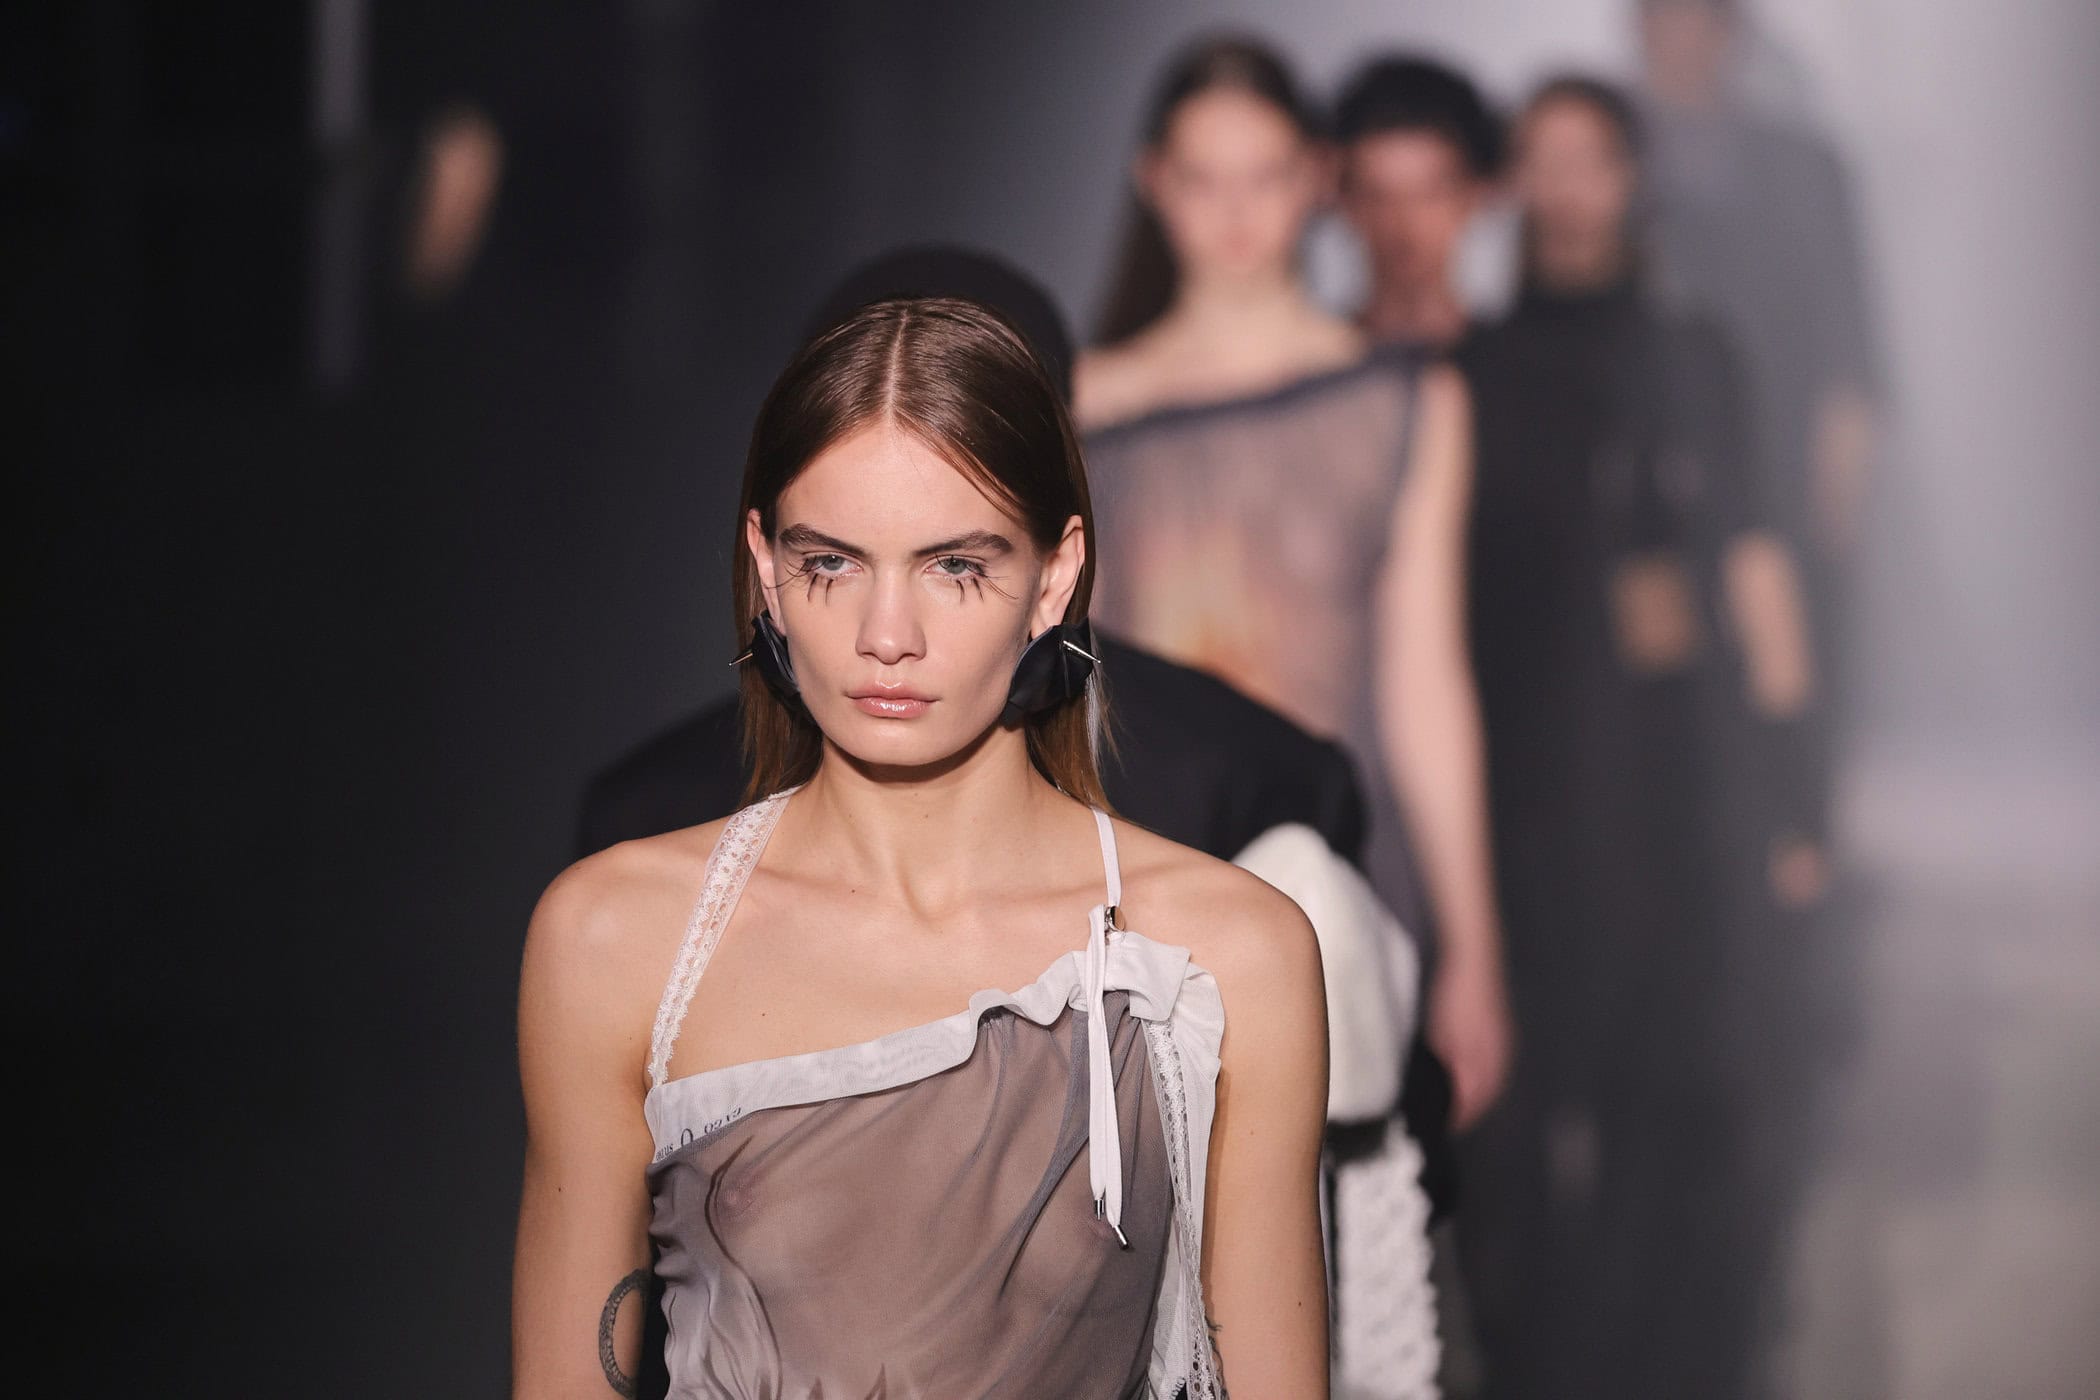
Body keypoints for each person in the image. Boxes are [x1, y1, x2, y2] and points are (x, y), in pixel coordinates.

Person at [512, 296, 1330, 1397]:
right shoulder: (614, 940)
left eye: (954, 567)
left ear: (1054, 577)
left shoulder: (1226, 956)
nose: (885, 636)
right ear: (766, 568)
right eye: (831, 563)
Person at [1453, 75, 1818, 1400]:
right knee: (1525, 1105)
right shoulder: (1471, 367)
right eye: (1540, 157)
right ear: (1510, 181)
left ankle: (1680, 1362)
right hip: (1523, 774)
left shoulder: (1694, 352)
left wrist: (1796, 796)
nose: (1566, 185)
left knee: (1682, 1092)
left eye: (1590, 157)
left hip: (1678, 776)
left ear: (1632, 176)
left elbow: (1757, 568)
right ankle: (1544, 1362)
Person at [1077, 31, 1509, 1140]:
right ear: (1154, 182)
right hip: (1139, 878)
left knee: (1337, 1209)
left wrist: (1474, 947)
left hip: (1347, 867)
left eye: (1264, 176)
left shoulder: (1406, 401)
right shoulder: (1080, 406)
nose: (1235, 212)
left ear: (1317, 178)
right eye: (1203, 179)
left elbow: (1425, 683)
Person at [1332, 54, 1506, 351]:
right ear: (1344, 201)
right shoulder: (1308, 364)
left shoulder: (1527, 365)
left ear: (1476, 195)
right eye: (1378, 196)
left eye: (1430, 196)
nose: (1404, 224)